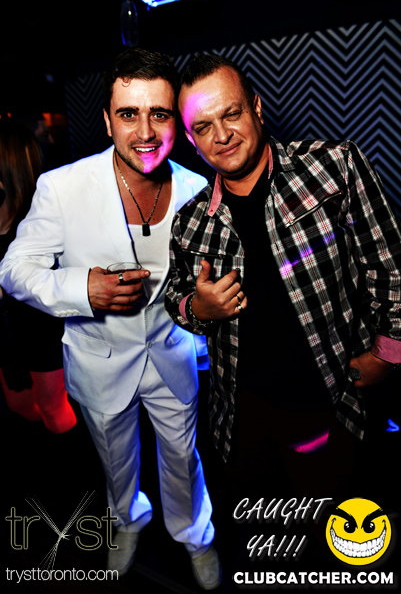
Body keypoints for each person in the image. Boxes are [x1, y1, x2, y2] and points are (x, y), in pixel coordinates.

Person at [0, 48, 221, 590]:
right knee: (116, 462)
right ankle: (128, 520)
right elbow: (14, 268)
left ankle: (195, 535)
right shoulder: (62, 187)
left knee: (182, 457)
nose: (145, 132)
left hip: (172, 355)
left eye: (159, 114)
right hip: (99, 361)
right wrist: (82, 288)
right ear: (106, 120)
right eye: (128, 114)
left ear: (177, 121)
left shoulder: (198, 191)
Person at [165, 53, 401, 502]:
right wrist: (198, 308)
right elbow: (175, 298)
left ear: (256, 107)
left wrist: (387, 354)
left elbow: (387, 263)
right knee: (267, 530)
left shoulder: (333, 167)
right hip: (242, 420)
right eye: (203, 127)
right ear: (191, 141)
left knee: (335, 528)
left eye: (231, 113)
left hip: (332, 405)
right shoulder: (191, 222)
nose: (221, 135)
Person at [0, 120, 76, 434]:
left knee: (52, 407)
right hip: (7, 335)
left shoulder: (37, 223)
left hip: (39, 331)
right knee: (18, 403)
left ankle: (74, 457)